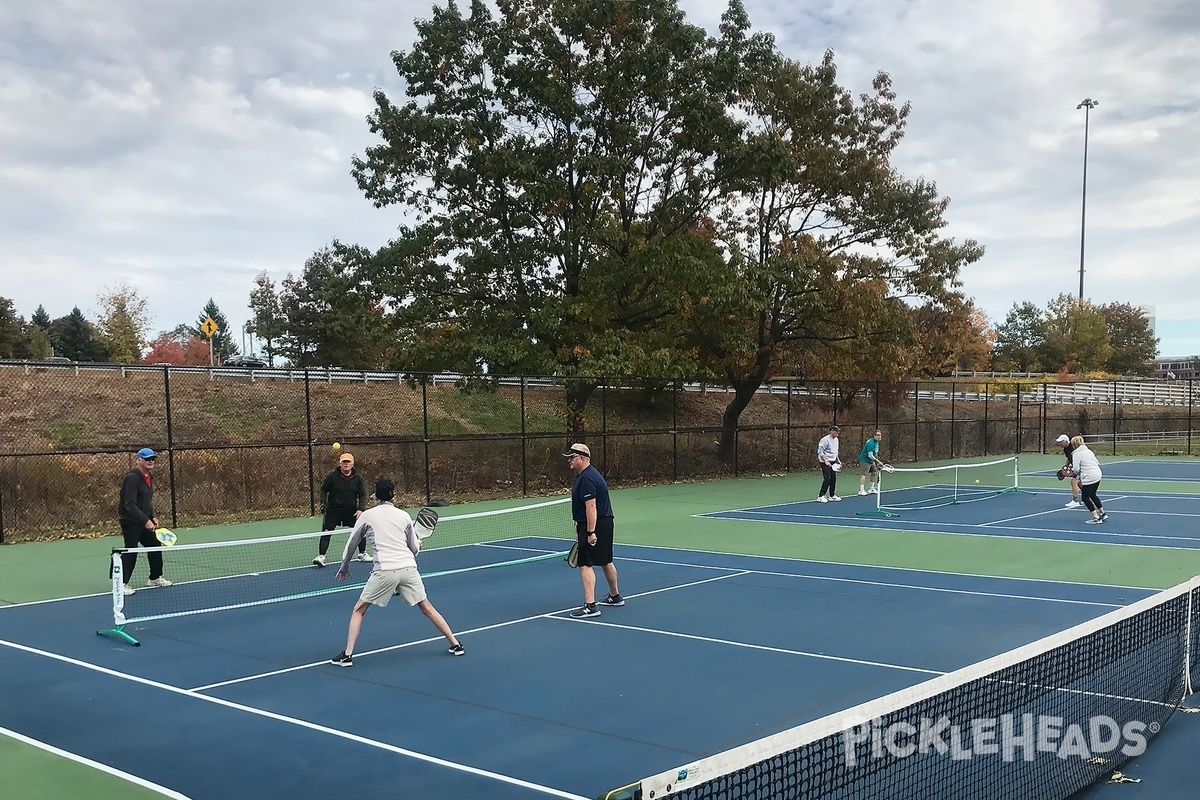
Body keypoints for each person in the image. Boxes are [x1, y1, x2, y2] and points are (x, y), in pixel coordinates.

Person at [330, 478, 464, 666]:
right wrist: (418, 544)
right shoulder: (404, 516)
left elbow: (352, 543)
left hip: (385, 570)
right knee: (426, 607)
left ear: (375, 496)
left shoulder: (367, 516)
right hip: (408, 569)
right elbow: (414, 549)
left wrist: (344, 567)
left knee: (359, 610)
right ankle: (456, 644)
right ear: (394, 495)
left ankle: (347, 656)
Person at [563, 443, 623, 618]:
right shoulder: (589, 475)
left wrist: (590, 532)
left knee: (585, 564)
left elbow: (591, 507)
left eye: (572, 458)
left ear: (582, 458)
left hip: (595, 524)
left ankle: (590, 606)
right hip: (603, 522)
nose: (569, 461)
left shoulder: (587, 479)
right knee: (606, 560)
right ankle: (615, 595)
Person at [117, 447, 172, 595]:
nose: (150, 461)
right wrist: (145, 520)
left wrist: (152, 516)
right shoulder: (132, 477)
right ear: (139, 460)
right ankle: (121, 584)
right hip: (130, 521)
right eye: (147, 459)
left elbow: (145, 501)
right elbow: (129, 504)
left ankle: (154, 578)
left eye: (152, 459)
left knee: (154, 545)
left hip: (143, 520)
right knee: (131, 549)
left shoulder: (149, 476)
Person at [313, 451, 370, 567]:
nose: (346, 464)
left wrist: (361, 509)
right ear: (340, 464)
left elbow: (363, 494)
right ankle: (321, 556)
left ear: (352, 464)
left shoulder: (358, 478)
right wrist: (323, 503)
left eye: (348, 462)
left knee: (361, 530)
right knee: (326, 532)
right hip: (333, 510)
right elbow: (323, 489)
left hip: (351, 511)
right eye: (344, 462)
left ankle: (362, 553)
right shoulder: (332, 476)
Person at [1069, 436, 1109, 525]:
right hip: (1097, 474)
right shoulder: (1088, 451)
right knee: (1092, 494)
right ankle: (1103, 513)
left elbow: (1076, 468)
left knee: (1085, 498)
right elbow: (1097, 462)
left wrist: (1076, 473)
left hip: (1089, 476)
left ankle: (1096, 517)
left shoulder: (1076, 453)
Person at [1055, 434, 1084, 508]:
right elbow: (1069, 458)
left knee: (1074, 481)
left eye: (1061, 442)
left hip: (1081, 466)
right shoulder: (1065, 449)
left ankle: (1075, 501)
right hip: (1077, 466)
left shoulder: (1073, 447)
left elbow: (1077, 458)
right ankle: (1087, 497)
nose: (1060, 444)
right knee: (1079, 483)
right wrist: (1066, 466)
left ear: (1065, 441)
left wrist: (1075, 469)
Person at [816, 425, 842, 502]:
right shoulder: (825, 440)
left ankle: (832, 495)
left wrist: (838, 460)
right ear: (831, 431)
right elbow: (820, 451)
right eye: (836, 431)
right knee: (827, 478)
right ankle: (821, 496)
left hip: (833, 461)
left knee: (833, 478)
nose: (837, 432)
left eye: (838, 431)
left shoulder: (836, 440)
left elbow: (835, 451)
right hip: (824, 462)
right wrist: (826, 461)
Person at [857, 429, 884, 496]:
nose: (879, 437)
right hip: (865, 460)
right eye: (877, 435)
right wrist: (878, 461)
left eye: (880, 435)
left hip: (871, 460)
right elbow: (870, 455)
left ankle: (871, 488)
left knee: (874, 472)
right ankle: (861, 490)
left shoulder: (876, 442)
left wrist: (876, 461)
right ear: (874, 436)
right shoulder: (870, 443)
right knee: (864, 474)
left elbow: (875, 453)